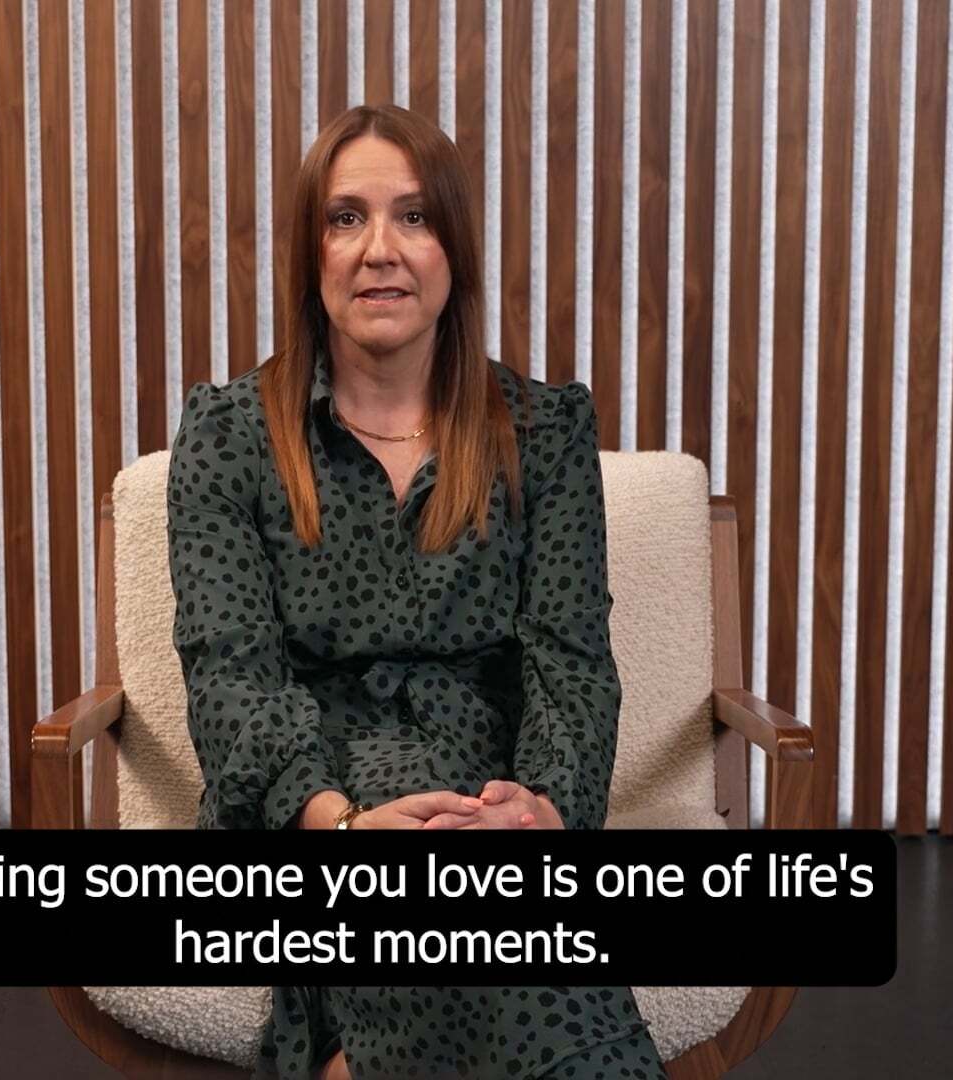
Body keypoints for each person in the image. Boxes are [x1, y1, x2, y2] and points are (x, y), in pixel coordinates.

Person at [166, 104, 664, 1080]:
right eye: (346, 217)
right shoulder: (229, 437)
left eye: (416, 217)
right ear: (311, 253)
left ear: (456, 251)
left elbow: (570, 662)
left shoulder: (546, 432)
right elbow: (231, 679)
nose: (379, 250)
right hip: (309, 800)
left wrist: (544, 812)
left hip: (487, 787)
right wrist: (339, 824)